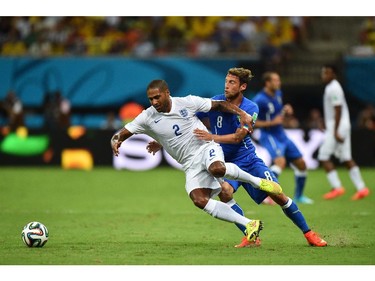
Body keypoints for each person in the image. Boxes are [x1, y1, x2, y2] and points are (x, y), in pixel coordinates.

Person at [148, 69, 327, 248]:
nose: (227, 85)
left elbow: (237, 138)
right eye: (226, 81)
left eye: (232, 82)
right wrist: (161, 142)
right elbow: (183, 122)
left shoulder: (251, 108)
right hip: (223, 161)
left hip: (247, 159)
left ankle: (309, 233)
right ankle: (251, 235)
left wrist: (212, 137)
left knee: (278, 195)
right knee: (225, 193)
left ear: (242, 86)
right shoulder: (215, 102)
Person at [111, 79, 283, 245]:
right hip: (189, 164)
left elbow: (220, 104)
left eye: (157, 97)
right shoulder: (147, 116)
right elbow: (123, 132)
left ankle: (256, 181)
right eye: (151, 99)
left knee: (217, 169)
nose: (154, 102)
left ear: (167, 93)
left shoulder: (187, 102)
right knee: (199, 200)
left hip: (205, 147)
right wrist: (116, 140)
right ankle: (248, 224)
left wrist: (243, 113)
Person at [252, 71, 313, 204]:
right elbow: (252, 121)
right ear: (267, 83)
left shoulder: (278, 94)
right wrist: (271, 123)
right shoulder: (259, 100)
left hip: (281, 134)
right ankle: (265, 195)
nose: (278, 83)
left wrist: (286, 111)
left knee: (301, 164)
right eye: (275, 80)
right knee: (280, 162)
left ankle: (299, 196)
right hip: (268, 135)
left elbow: (277, 114)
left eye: (278, 80)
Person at [318, 65, 370, 200]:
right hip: (341, 125)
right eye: (323, 73)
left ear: (334, 74)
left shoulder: (334, 88)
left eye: (327, 73)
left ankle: (337, 187)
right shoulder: (331, 86)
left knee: (323, 156)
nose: (324, 75)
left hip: (337, 126)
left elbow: (338, 109)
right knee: (346, 158)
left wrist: (334, 130)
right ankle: (362, 188)